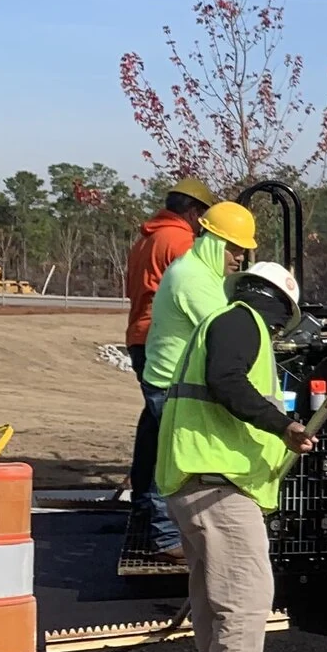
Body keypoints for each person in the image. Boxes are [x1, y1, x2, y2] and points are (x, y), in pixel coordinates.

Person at [155, 259, 312, 652]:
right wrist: (284, 425)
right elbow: (227, 381)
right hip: (217, 481)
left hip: (197, 479)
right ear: (280, 307)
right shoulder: (242, 323)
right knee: (246, 592)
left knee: (212, 598)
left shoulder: (220, 322)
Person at [121, 177, 217, 559]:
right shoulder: (180, 242)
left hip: (140, 337)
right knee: (171, 434)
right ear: (193, 212)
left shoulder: (146, 238)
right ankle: (166, 535)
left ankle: (144, 504)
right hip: (165, 344)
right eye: (203, 219)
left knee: (152, 428)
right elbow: (193, 294)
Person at [141, 198, 257, 411]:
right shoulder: (193, 277)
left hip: (171, 384)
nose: (240, 257)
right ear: (215, 242)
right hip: (172, 389)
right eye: (234, 248)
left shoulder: (201, 268)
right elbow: (227, 333)